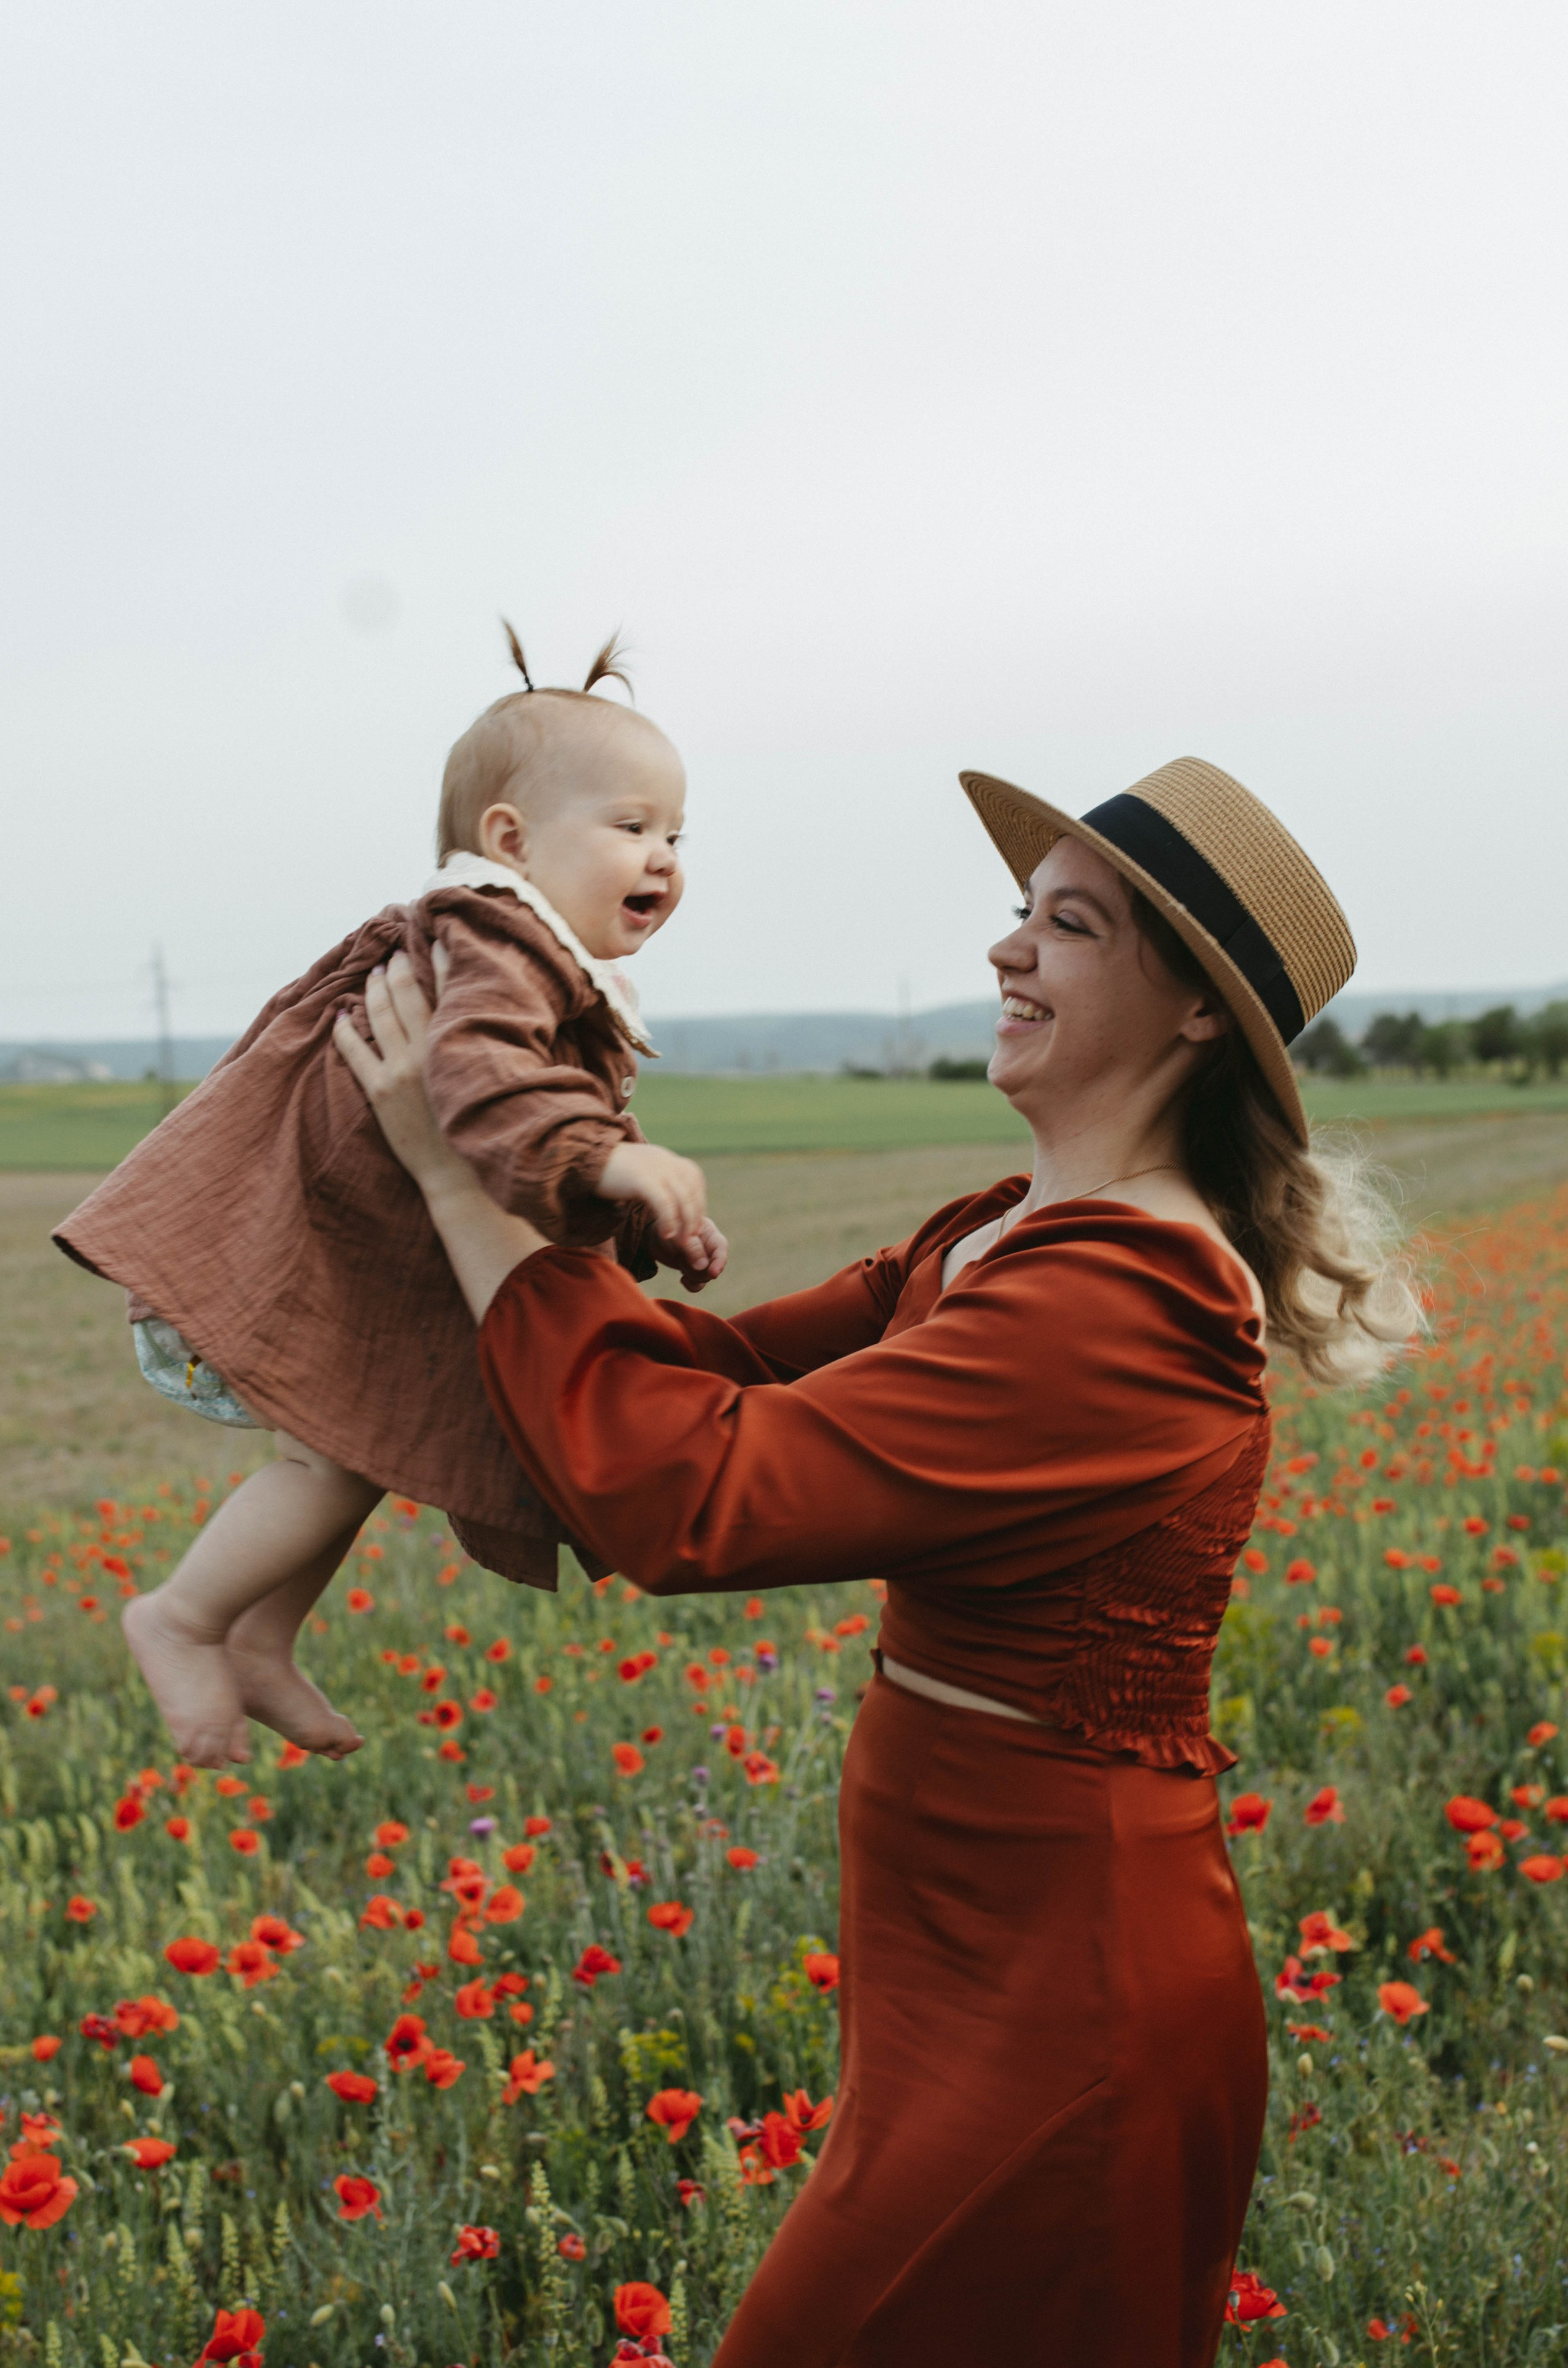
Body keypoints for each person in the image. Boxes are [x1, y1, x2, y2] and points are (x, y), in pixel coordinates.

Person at [335, 755, 1417, 2367]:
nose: (1005, 953)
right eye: (1018, 915)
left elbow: (683, 1492)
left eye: (1067, 928)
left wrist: (459, 1181)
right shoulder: (999, 1233)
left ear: (1195, 1013)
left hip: (1072, 1971)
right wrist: (534, 1158)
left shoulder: (1127, 1304)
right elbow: (706, 1376)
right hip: (962, 1932)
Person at [52, 630, 726, 1772]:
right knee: (327, 1457)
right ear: (510, 841)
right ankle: (180, 1614)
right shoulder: (498, 932)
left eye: (676, 834)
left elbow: (549, 1089)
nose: (663, 855)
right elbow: (482, 1076)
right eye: (632, 826)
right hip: (352, 1230)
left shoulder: (524, 946)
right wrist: (608, 1165)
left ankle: (259, 1633)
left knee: (352, 1449)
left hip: (379, 1226)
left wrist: (642, 1207)